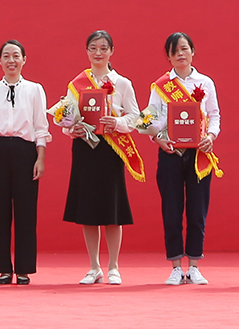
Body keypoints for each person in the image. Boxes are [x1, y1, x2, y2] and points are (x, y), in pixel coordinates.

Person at [57, 30, 142, 285]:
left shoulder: (122, 83)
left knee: (112, 208)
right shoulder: (77, 84)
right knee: (88, 208)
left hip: (111, 148)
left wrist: (117, 122)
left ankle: (114, 266)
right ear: (86, 51)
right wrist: (71, 129)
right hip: (85, 148)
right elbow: (65, 117)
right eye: (93, 48)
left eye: (103, 48)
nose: (98, 53)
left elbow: (135, 117)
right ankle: (94, 267)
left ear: (111, 52)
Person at [140, 32, 221, 285]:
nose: (180, 55)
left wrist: (211, 136)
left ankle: (194, 264)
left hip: (199, 154)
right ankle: (176, 266)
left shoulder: (205, 83)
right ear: (169, 57)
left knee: (197, 211)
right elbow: (149, 119)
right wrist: (157, 139)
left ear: (193, 51)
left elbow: (214, 114)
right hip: (170, 153)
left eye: (184, 49)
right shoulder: (160, 86)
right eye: (175, 51)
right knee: (172, 210)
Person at [0, 40, 49, 284]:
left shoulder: (35, 90)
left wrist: (40, 158)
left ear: (24, 60)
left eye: (16, 56)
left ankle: (24, 268)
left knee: (26, 211)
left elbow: (40, 128)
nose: (11, 60)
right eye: (6, 56)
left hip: (25, 151)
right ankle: (3, 268)